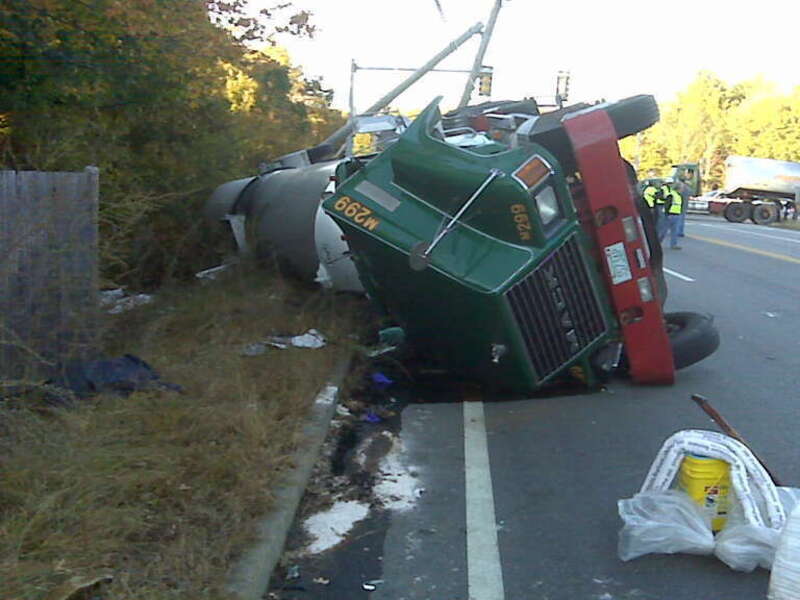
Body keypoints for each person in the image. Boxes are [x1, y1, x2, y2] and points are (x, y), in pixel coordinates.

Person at [659, 182, 683, 249]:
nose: (682, 189)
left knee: (674, 231)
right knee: (664, 231)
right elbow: (667, 205)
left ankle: (673, 245)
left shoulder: (678, 195)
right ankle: (657, 243)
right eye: (681, 188)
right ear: (678, 188)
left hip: (676, 215)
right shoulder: (671, 195)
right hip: (670, 215)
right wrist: (667, 214)